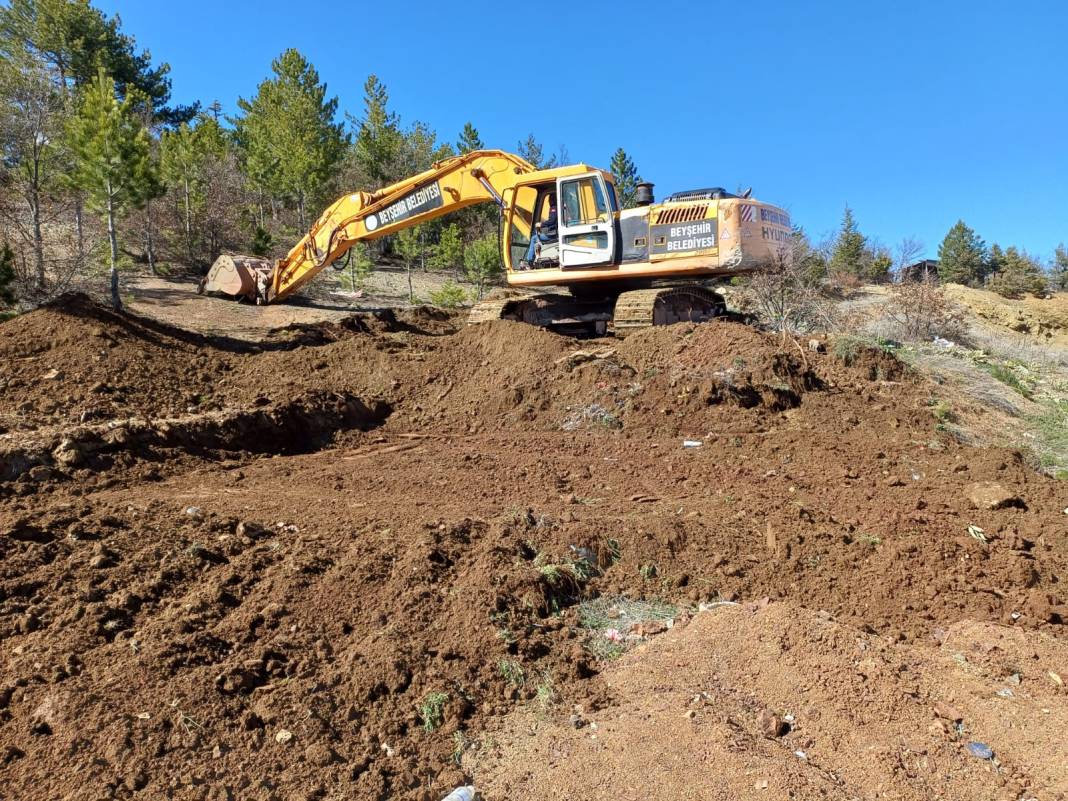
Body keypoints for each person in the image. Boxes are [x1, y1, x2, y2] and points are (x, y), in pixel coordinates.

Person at [520, 194, 557, 268]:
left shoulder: (554, 208)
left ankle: (529, 261)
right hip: (554, 232)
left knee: (534, 238)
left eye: (549, 200)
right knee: (538, 236)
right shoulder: (560, 207)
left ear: (552, 200)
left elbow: (552, 221)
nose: (549, 202)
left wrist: (541, 224)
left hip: (553, 235)